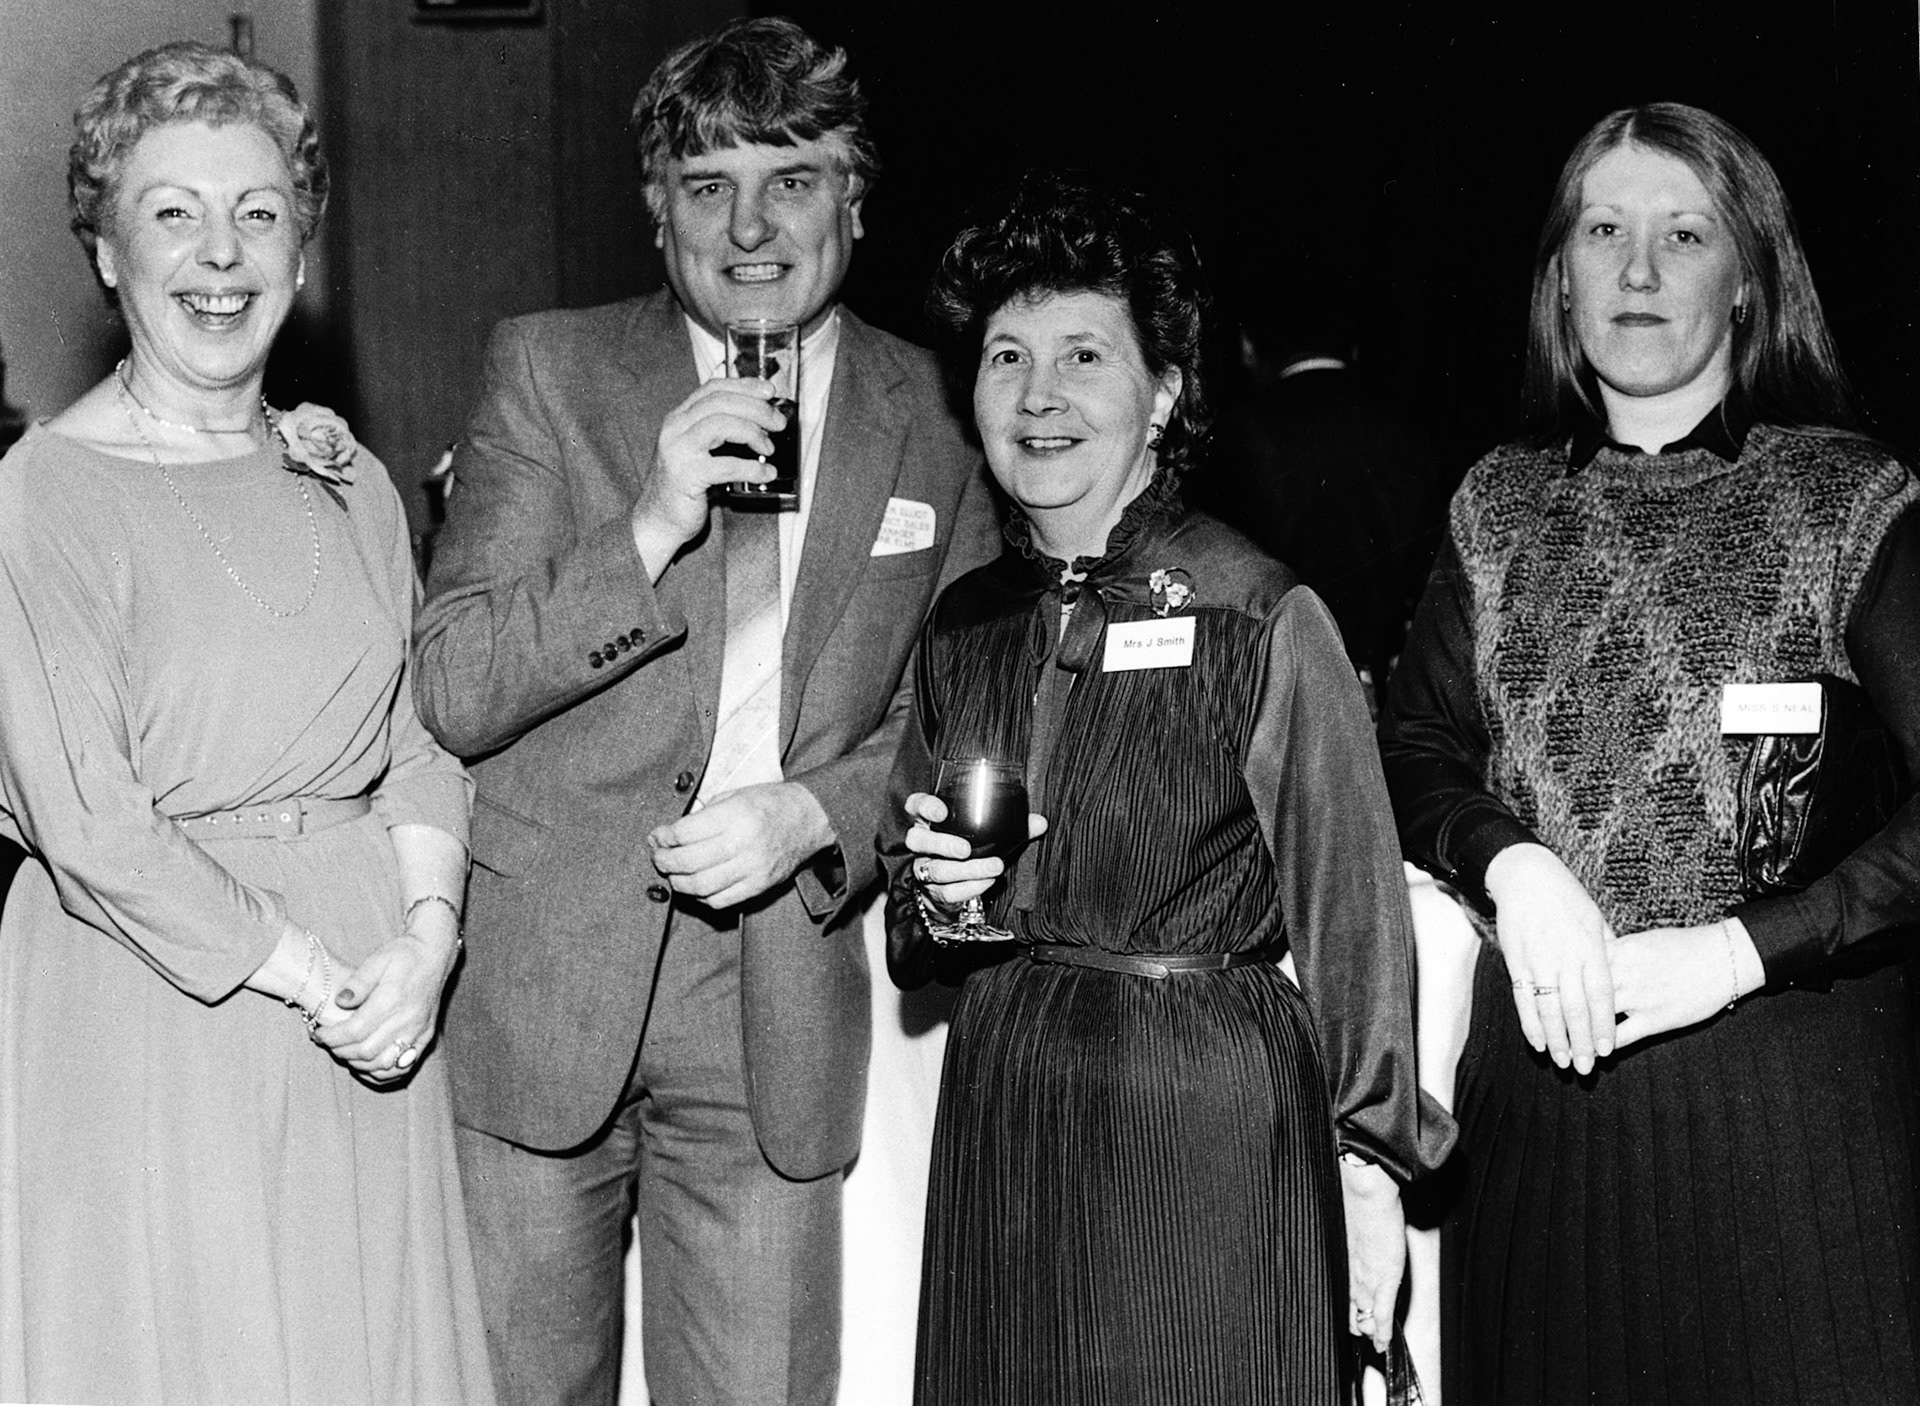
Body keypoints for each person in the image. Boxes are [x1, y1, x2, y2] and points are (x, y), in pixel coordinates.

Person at [411, 17, 998, 1406]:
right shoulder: (547, 369)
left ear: (854, 200)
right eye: (706, 185)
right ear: (654, 211)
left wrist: (819, 811)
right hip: (544, 983)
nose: (750, 226)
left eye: (790, 179)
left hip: (775, 994)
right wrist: (652, 521)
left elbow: (968, 712)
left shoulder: (938, 408)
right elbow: (456, 682)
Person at [882, 173, 1453, 1405]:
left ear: (1166, 392)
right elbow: (909, 914)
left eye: (1085, 353)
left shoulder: (1259, 611)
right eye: (1005, 355)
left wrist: (1372, 1162)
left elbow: (1353, 911)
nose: (1039, 395)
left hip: (1203, 1113)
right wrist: (932, 893)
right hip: (1010, 1100)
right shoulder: (966, 623)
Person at [1380, 101, 1920, 1404]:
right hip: (1544, 1133)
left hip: (1788, 1129)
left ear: (1747, 279)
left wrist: (1740, 950)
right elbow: (1412, 743)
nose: (1635, 269)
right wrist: (1514, 866)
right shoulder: (1496, 501)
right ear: (1558, 276)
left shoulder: (1849, 497)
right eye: (1602, 230)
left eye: (1683, 235)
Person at [0, 41, 493, 1405]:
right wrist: (318, 978)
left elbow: (417, 739)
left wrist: (425, 948)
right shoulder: (40, 496)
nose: (221, 254)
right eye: (172, 212)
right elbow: (90, 824)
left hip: (374, 991)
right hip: (161, 999)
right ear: (106, 250)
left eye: (259, 212)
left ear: (300, 243)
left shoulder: (351, 477)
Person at [1185, 272, 1446, 709]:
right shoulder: (1414, 442)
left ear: (1248, 349)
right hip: (1389, 700)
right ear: (1355, 346)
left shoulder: (1233, 440)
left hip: (1262, 697)